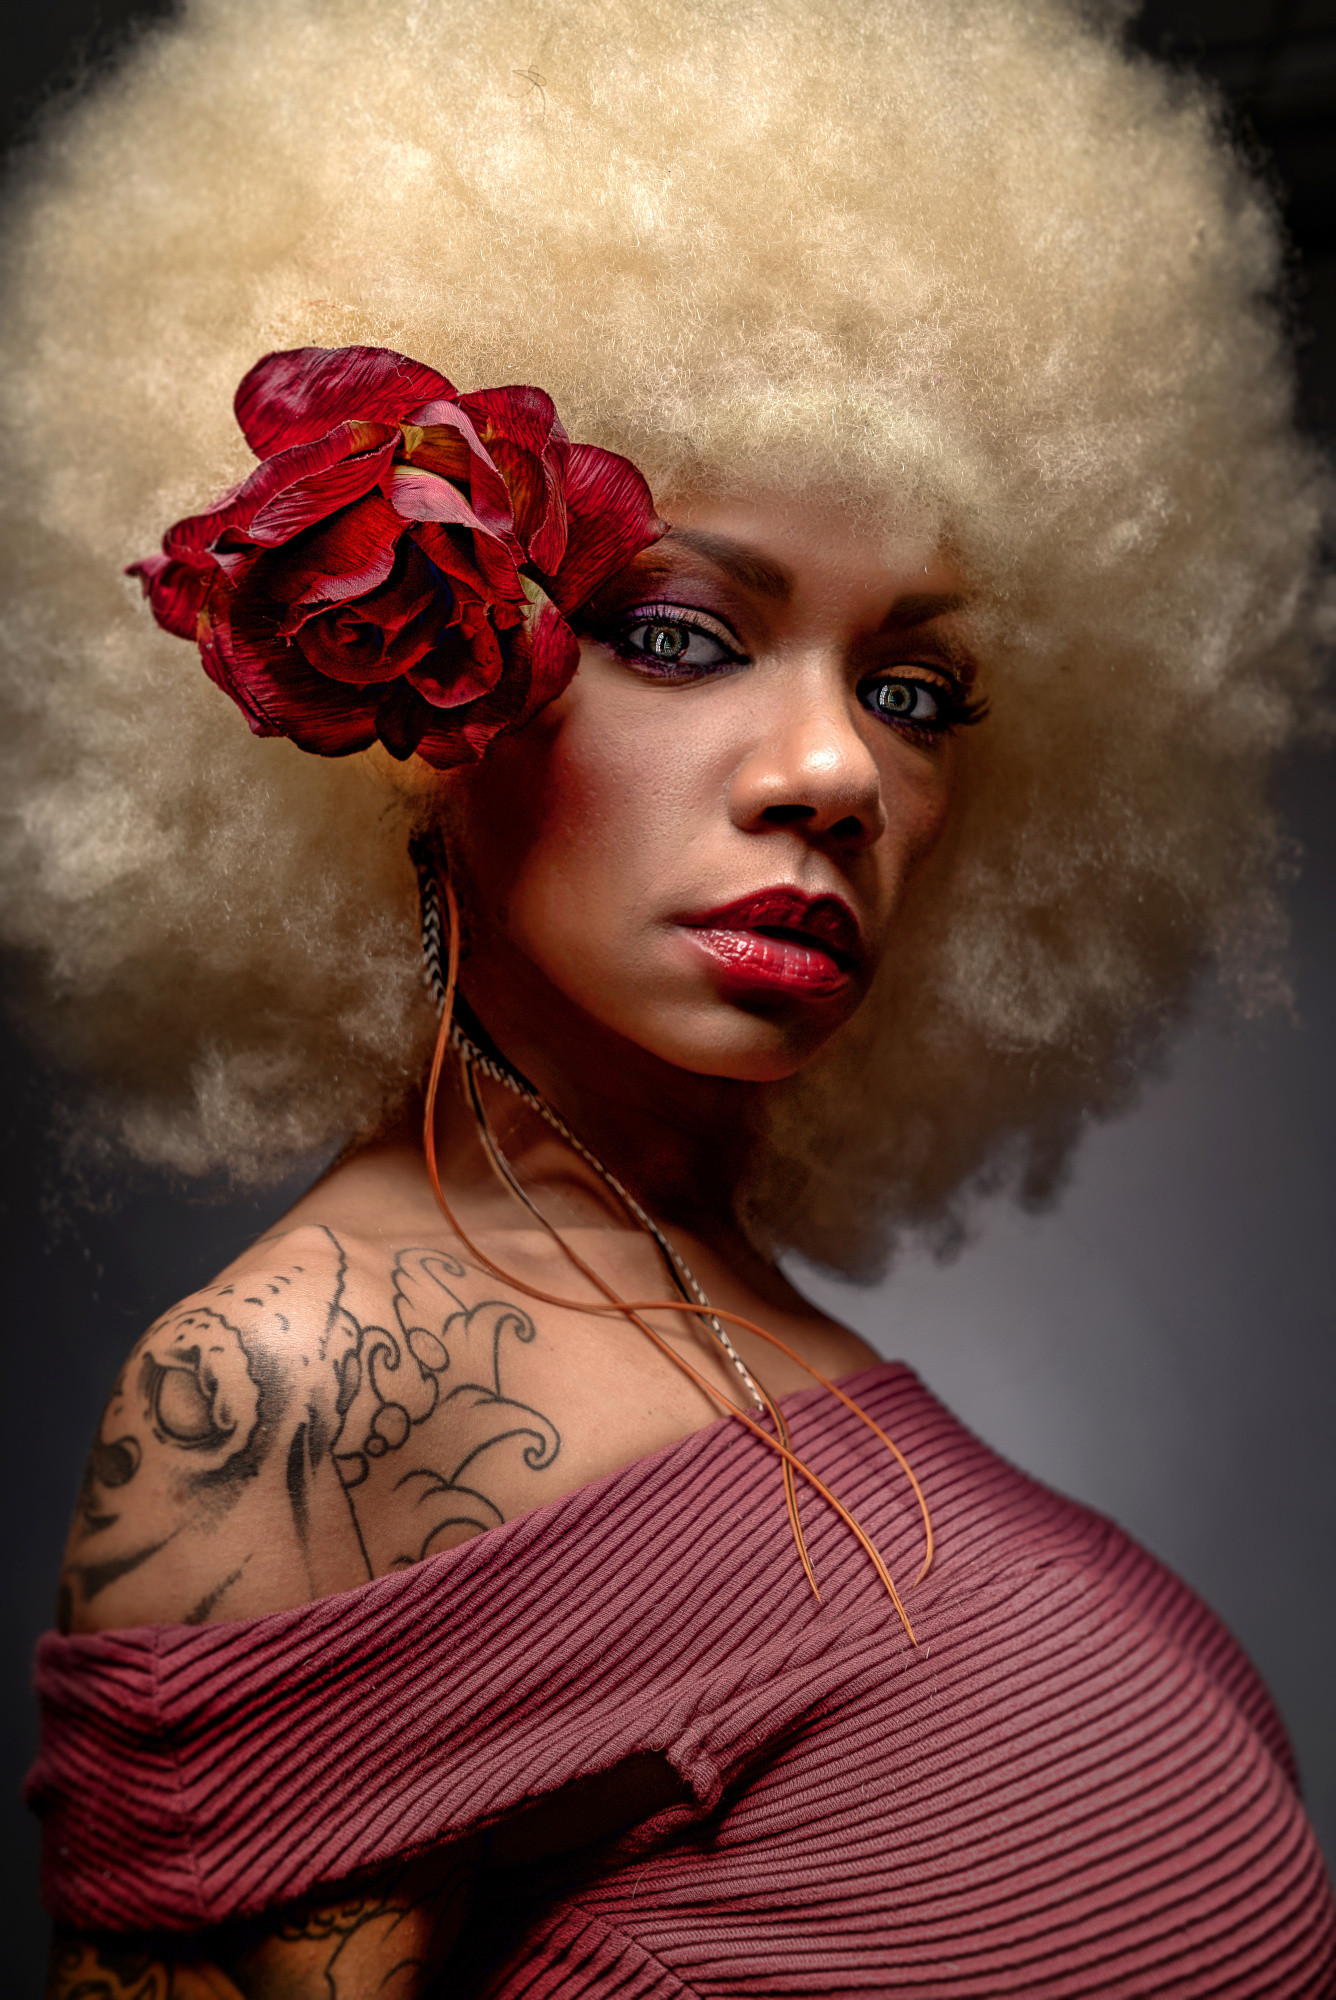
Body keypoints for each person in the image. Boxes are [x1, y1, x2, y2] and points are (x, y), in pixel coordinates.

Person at [5, 0, 1334, 1993]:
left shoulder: (698, 1289)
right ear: (415, 689)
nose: (834, 772)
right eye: (681, 634)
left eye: (912, 689)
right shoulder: (302, 1395)